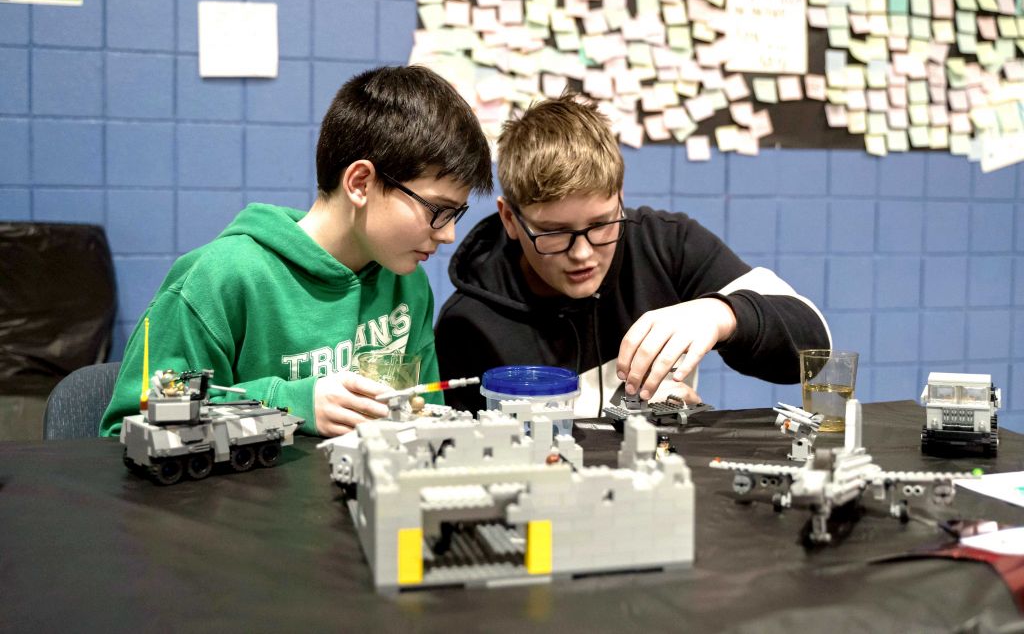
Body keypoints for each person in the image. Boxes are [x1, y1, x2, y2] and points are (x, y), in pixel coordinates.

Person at [100, 65, 492, 437]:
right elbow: (126, 429)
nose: (449, 236)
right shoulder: (220, 280)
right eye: (437, 210)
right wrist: (287, 403)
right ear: (360, 183)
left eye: (456, 214)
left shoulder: (408, 285)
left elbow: (423, 421)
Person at [434, 94, 830, 416]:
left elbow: (813, 348)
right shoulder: (469, 325)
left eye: (603, 223)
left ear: (620, 198)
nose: (583, 253)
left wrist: (721, 314)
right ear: (510, 219)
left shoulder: (666, 245)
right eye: (555, 233)